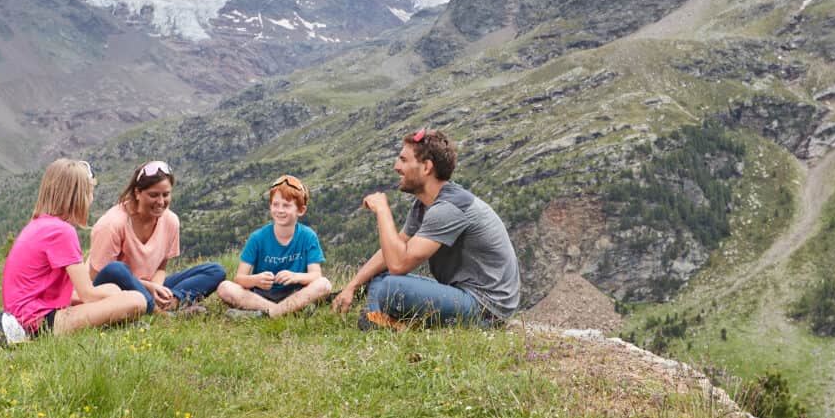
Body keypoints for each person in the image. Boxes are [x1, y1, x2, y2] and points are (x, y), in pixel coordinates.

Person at [331, 129, 521, 329]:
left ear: (427, 167)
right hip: (462, 295)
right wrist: (351, 287)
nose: (396, 167)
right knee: (378, 279)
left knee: (388, 287)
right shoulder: (424, 204)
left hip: (486, 309)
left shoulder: (449, 208)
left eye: (404, 160)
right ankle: (383, 322)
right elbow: (393, 251)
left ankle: (380, 324)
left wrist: (383, 210)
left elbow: (398, 264)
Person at [2, 159, 147, 336]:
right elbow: (88, 294)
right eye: (90, 192)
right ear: (79, 196)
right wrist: (118, 299)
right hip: (37, 323)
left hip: (22, 314)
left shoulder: (40, 224)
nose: (91, 198)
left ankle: (112, 317)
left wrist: (113, 295)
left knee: (113, 289)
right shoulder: (62, 231)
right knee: (136, 300)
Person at [88, 160, 226, 314]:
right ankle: (161, 315)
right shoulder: (112, 224)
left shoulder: (170, 220)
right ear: (137, 193)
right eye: (153, 195)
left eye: (166, 195)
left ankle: (169, 304)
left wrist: (157, 289)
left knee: (215, 271)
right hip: (115, 289)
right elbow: (97, 277)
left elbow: (161, 266)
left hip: (149, 285)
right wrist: (148, 288)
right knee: (117, 269)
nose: (161, 202)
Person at [217, 174, 331, 318]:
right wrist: (256, 280)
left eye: (286, 205)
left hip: (294, 292)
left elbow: (315, 275)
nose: (280, 210)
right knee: (224, 287)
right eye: (275, 204)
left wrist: (296, 277)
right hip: (261, 296)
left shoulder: (308, 236)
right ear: (270, 206)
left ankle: (263, 314)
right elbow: (240, 278)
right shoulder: (258, 237)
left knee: (324, 284)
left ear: (301, 210)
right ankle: (284, 312)